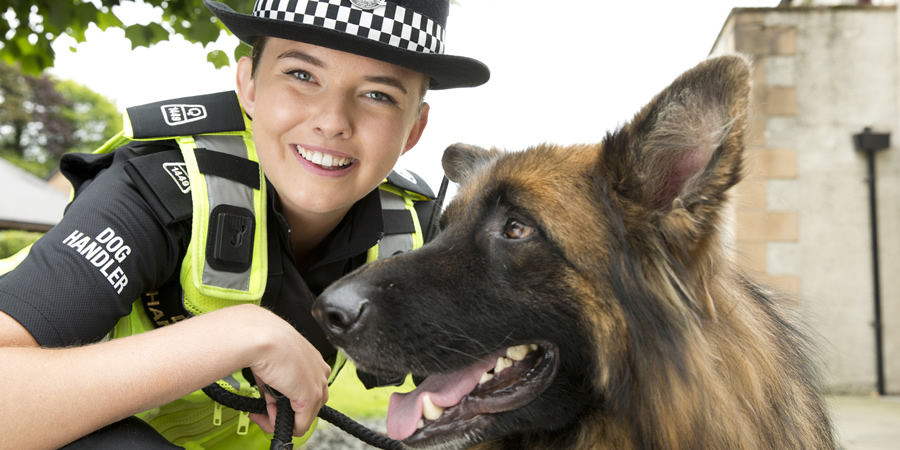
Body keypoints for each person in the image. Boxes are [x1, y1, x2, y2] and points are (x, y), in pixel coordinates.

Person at [0, 0, 489, 448]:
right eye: (302, 73)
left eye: (378, 95)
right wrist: (239, 334)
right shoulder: (157, 190)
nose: (332, 120)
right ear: (249, 86)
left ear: (414, 129)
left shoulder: (419, 232)